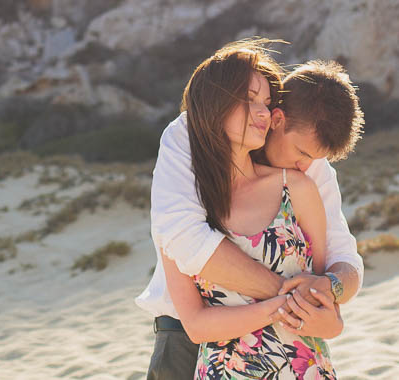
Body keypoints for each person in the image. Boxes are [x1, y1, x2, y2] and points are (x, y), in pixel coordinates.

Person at [137, 40, 366, 379]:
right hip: (187, 335)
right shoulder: (189, 136)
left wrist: (327, 295)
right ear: (278, 120)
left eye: (264, 100)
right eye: (302, 152)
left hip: (291, 346)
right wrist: (292, 298)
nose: (307, 165)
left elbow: (342, 259)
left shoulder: (305, 175)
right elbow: (185, 241)